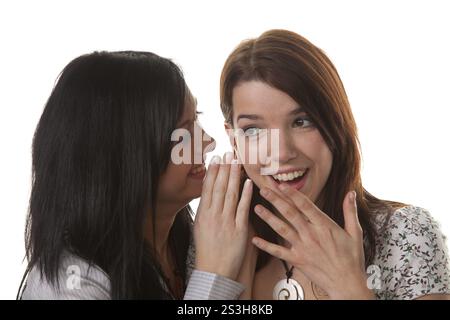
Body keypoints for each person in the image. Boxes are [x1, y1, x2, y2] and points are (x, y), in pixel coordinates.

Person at [219, 29, 450, 300]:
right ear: (233, 140)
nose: (281, 153)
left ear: (335, 123)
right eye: (254, 130)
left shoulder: (404, 233)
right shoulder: (220, 240)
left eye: (301, 121)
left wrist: (350, 287)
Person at [18, 51, 253, 299]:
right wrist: (212, 278)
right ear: (123, 154)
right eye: (184, 132)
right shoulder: (67, 287)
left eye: (197, 120)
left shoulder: (194, 241)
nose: (209, 142)